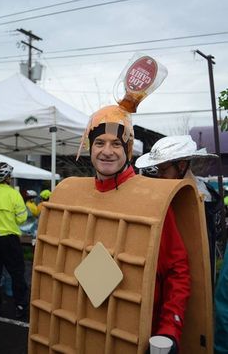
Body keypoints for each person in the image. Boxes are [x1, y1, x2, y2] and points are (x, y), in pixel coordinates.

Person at [77, 106, 190, 352]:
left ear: (128, 149)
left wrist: (170, 329)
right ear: (90, 147)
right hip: (88, 330)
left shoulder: (152, 198)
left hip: (138, 334)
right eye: (99, 143)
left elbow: (178, 271)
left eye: (116, 144)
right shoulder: (74, 196)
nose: (107, 152)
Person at [135, 135, 222, 291]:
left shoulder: (202, 197)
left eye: (163, 170)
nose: (159, 176)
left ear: (181, 166)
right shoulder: (168, 187)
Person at [0, 162, 28, 319]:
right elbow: (22, 218)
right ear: (7, 178)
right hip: (10, 240)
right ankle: (20, 305)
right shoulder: (14, 194)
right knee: (17, 273)